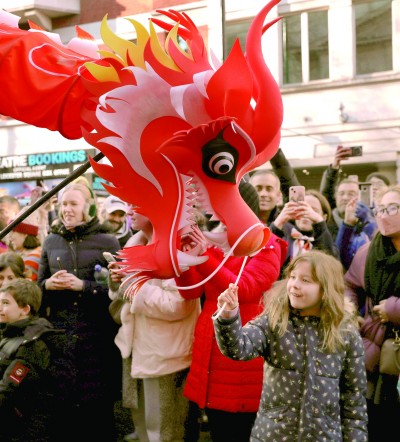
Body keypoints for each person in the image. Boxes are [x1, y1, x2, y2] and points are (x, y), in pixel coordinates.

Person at [213, 251, 368, 441]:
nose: (294, 284)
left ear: (326, 289)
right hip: (274, 436)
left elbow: (354, 400)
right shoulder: (274, 322)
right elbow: (237, 348)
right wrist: (228, 316)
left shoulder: (346, 334)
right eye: (292, 277)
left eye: (306, 280)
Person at [174, 187, 287, 441]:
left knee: (241, 428)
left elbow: (244, 290)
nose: (214, 213)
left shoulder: (265, 243)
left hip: (243, 346)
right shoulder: (217, 239)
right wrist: (181, 259)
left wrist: (205, 254)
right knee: (219, 428)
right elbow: (189, 292)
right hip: (211, 346)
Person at [37, 182, 121, 441]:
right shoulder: (51, 241)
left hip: (97, 337)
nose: (66, 209)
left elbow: (119, 288)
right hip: (61, 336)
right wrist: (48, 285)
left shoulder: (108, 240)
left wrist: (84, 286)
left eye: (73, 204)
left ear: (89, 207)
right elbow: (38, 287)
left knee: (97, 408)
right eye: (63, 204)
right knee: (63, 408)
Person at [108, 210, 200, 442]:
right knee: (142, 427)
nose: (129, 211)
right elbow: (125, 296)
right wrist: (117, 280)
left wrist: (131, 284)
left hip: (165, 356)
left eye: (136, 204)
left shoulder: (179, 249)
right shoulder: (135, 245)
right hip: (136, 348)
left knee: (163, 431)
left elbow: (179, 305)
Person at [344, 184, 400, 441]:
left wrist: (394, 309)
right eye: (380, 209)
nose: (385, 215)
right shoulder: (370, 252)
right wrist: (350, 310)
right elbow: (349, 285)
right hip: (374, 348)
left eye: (393, 208)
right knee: (377, 419)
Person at [0, 279, 60, 441]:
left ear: (25, 309)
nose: (0, 308)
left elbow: (8, 390)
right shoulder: (10, 335)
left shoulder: (31, 344)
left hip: (24, 430)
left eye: (5, 303)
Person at [270, 188, 338, 270]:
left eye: (313, 210)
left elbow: (331, 266)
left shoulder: (329, 240)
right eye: (301, 208)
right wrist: (278, 223)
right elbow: (263, 257)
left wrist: (319, 223)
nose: (306, 213)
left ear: (324, 217)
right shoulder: (283, 237)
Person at [8, 212, 42, 281]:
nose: (10, 237)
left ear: (25, 234)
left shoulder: (32, 258)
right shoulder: (33, 252)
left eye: (13, 232)